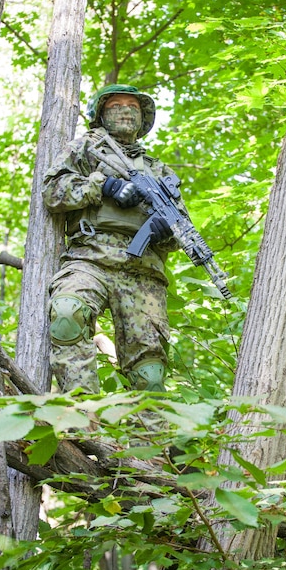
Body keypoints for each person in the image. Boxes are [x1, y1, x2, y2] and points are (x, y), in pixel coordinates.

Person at [42, 84, 188, 395]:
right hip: (89, 258)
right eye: (116, 105)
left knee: (149, 370)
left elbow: (181, 232)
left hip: (143, 273)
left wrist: (165, 230)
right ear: (101, 115)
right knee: (68, 313)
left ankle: (148, 441)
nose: (125, 110)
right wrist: (103, 186)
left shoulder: (158, 170)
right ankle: (82, 422)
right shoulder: (85, 148)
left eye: (133, 106)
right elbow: (53, 191)